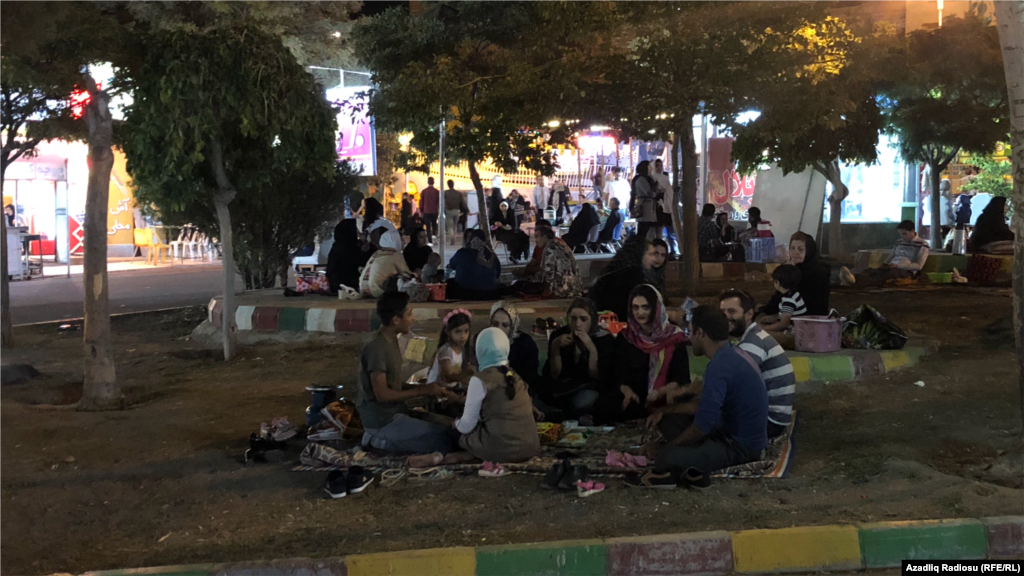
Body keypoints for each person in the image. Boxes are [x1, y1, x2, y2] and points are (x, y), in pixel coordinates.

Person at [629, 306, 768, 488]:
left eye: (690, 331)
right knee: (670, 420)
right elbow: (702, 406)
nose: (689, 337)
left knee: (665, 458)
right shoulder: (730, 354)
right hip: (726, 431)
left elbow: (702, 426)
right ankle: (693, 453)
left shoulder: (720, 366)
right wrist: (665, 410)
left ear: (700, 332)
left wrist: (666, 447)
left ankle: (683, 460)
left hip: (740, 447)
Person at [357, 292, 452, 455]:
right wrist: (420, 391)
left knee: (448, 427)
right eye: (409, 314)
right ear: (395, 320)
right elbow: (382, 394)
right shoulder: (377, 348)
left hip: (396, 411)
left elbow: (392, 384)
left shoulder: (392, 339)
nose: (413, 318)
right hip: (382, 420)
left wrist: (426, 388)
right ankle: (377, 440)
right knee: (443, 441)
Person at [593, 285, 689, 425]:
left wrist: (659, 392)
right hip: (633, 396)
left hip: (663, 394)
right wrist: (625, 390)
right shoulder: (626, 337)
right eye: (635, 307)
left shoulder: (674, 337)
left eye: (645, 307)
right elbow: (616, 371)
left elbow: (681, 376)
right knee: (604, 406)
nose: (640, 312)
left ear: (656, 308)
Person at [450, 327, 541, 463]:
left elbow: (467, 424)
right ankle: (475, 453)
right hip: (530, 447)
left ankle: (469, 454)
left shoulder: (480, 379)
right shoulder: (514, 376)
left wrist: (456, 424)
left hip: (502, 449)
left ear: (479, 351)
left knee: (454, 433)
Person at [719, 289, 795, 438]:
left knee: (706, 419)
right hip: (774, 416)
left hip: (770, 421)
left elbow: (731, 383)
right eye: (722, 312)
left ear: (749, 314)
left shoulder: (753, 343)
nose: (726, 317)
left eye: (732, 311)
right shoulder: (755, 336)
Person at [540, 298, 615, 417]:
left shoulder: (604, 339)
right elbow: (555, 375)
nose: (577, 324)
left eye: (583, 319)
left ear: (592, 320)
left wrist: (592, 350)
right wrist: (555, 346)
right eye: (573, 319)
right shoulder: (560, 335)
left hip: (588, 387)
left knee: (582, 402)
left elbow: (598, 377)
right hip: (563, 386)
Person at [588, 237, 667, 321]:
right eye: (650, 254)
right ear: (639, 254)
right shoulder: (632, 274)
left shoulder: (617, 269)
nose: (654, 259)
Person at [839, 221, 929, 286]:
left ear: (913, 231)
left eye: (904, 234)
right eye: (900, 234)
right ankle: (852, 277)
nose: (902, 236)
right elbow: (892, 255)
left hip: (906, 271)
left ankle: (854, 280)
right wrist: (886, 263)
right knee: (872, 271)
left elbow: (919, 266)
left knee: (883, 276)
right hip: (893, 266)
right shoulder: (899, 242)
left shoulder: (922, 245)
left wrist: (898, 266)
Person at [756, 264, 806, 349]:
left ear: (777, 283)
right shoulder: (795, 294)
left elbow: (784, 323)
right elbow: (784, 315)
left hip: (792, 335)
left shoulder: (788, 300)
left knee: (760, 334)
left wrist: (765, 328)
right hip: (796, 332)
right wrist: (767, 319)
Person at [528, 226, 583, 298]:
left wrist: (546, 291)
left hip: (562, 289)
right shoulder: (560, 244)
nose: (536, 240)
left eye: (537, 237)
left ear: (544, 237)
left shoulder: (551, 248)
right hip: (573, 286)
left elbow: (549, 273)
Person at [447, 229, 502, 300]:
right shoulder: (493, 255)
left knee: (449, 283)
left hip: (467, 292)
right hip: (490, 293)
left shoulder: (463, 252)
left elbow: (451, 264)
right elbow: (498, 273)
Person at [427, 309, 476, 386]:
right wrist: (466, 373)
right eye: (458, 332)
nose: (463, 336)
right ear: (448, 332)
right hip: (435, 390)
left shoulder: (461, 348)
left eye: (466, 331)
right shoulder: (446, 351)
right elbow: (448, 378)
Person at [360, 229, 413, 298]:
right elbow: (407, 273)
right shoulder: (395, 254)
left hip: (363, 289)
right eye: (401, 240)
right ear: (394, 240)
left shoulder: (376, 253)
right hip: (378, 290)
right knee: (404, 277)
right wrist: (416, 275)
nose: (404, 242)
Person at [788, 231, 830, 316]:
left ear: (809, 250)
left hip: (810, 318)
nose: (795, 252)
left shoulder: (818, 273)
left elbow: (814, 305)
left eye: (800, 249)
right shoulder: (793, 270)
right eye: (792, 248)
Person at [326, 219, 372, 292]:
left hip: (335, 283)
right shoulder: (350, 248)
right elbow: (362, 262)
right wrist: (365, 243)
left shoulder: (337, 245)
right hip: (348, 285)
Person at [631, 161, 659, 240]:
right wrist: (655, 194)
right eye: (649, 167)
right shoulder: (641, 179)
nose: (651, 169)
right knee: (643, 229)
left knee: (645, 229)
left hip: (648, 206)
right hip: (645, 206)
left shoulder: (647, 179)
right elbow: (649, 192)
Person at [653, 159, 675, 249]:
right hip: (658, 206)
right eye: (657, 165)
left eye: (661, 165)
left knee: (668, 229)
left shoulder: (665, 178)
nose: (659, 168)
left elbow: (669, 190)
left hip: (667, 206)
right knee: (658, 229)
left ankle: (672, 248)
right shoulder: (652, 177)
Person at [420, 177, 440, 243]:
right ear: (433, 182)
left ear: (428, 182)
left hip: (426, 211)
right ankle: (434, 236)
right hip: (434, 211)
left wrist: (421, 210)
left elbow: (421, 202)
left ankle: (430, 240)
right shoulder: (437, 192)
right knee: (434, 224)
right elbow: (438, 202)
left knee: (428, 226)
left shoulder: (424, 191)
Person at [444, 180, 464, 244]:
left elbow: (443, 202)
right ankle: (454, 237)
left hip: (449, 211)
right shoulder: (458, 193)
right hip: (457, 211)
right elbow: (462, 203)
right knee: (455, 225)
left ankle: (452, 236)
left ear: (448, 185)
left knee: (449, 226)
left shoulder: (445, 193)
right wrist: (466, 210)